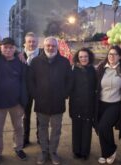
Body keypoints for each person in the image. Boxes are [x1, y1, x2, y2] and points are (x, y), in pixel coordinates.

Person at [28, 36, 72, 165]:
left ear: (57, 47)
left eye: (53, 46)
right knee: (42, 128)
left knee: (56, 129)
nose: (50, 48)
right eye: (48, 45)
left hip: (58, 103)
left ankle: (53, 152)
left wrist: (65, 94)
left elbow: (69, 80)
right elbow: (30, 80)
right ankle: (43, 151)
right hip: (41, 102)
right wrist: (35, 95)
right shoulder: (36, 61)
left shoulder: (64, 62)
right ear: (44, 46)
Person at [0, 37, 28, 164]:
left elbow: (24, 82)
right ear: (0, 47)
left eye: (11, 47)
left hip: (16, 103)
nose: (8, 50)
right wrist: (18, 52)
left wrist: (23, 102)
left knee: (18, 128)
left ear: (15, 48)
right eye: (5, 47)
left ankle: (18, 148)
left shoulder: (21, 62)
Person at [95, 45, 121, 164]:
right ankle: (105, 154)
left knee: (104, 126)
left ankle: (111, 150)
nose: (112, 56)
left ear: (120, 56)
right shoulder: (101, 68)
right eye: (110, 54)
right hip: (101, 103)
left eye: (115, 54)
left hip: (115, 104)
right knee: (103, 128)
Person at [69, 48, 96, 160]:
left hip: (89, 105)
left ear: (89, 57)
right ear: (77, 58)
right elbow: (70, 88)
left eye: (85, 56)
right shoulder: (74, 71)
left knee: (87, 129)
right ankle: (76, 151)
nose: (83, 59)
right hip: (76, 105)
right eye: (81, 57)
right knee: (76, 129)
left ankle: (85, 152)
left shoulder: (93, 71)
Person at [20, 32, 40, 147]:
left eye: (34, 41)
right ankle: (25, 138)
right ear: (25, 43)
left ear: (37, 42)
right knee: (25, 116)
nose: (31, 44)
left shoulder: (43, 55)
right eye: (29, 41)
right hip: (25, 91)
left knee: (40, 116)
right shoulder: (20, 56)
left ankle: (40, 138)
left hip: (39, 91)